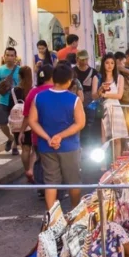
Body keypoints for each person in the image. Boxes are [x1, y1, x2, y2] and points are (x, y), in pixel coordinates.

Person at [28, 63, 85, 210]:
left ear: (54, 78)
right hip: (69, 146)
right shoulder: (74, 99)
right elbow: (80, 123)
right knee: (73, 180)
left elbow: (32, 121)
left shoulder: (39, 97)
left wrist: (48, 138)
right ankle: (74, 211)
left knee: (51, 181)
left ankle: (51, 216)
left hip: (46, 146)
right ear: (69, 80)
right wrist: (60, 136)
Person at [20, 64, 53, 183]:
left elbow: (27, 115)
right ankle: (52, 187)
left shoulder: (33, 92)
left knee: (39, 159)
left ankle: (40, 186)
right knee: (53, 163)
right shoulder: (57, 91)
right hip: (55, 133)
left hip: (37, 134)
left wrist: (22, 131)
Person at [93, 53, 127, 158]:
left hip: (116, 108)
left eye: (112, 63)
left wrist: (105, 94)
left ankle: (117, 162)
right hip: (103, 108)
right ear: (103, 64)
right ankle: (104, 163)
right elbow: (94, 96)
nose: (110, 65)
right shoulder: (97, 77)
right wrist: (100, 90)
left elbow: (119, 95)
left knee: (117, 138)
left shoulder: (119, 77)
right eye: (107, 63)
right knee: (104, 137)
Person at [0, 47, 20, 155]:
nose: (9, 57)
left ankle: (15, 146)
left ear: (15, 57)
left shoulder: (19, 70)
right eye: (7, 55)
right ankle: (10, 138)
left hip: (15, 100)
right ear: (4, 57)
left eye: (12, 55)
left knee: (16, 124)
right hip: (3, 100)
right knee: (2, 123)